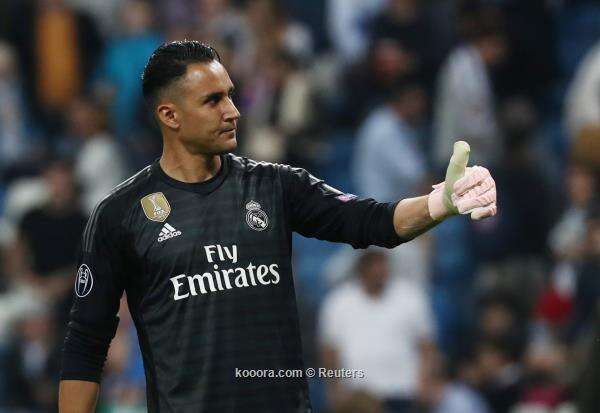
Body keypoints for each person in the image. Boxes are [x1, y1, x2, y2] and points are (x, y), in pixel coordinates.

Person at [58, 40, 497, 412]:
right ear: (170, 116)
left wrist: (441, 202)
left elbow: (371, 221)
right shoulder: (121, 214)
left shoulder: (275, 186)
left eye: (231, 95)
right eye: (213, 100)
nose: (233, 111)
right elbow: (85, 344)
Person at [319, 250, 436, 412]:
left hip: (403, 391)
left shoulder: (410, 296)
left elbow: (426, 346)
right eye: (372, 265)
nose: (378, 271)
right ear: (361, 268)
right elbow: (330, 353)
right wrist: (334, 389)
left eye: (382, 264)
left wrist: (425, 381)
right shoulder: (338, 301)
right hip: (358, 395)